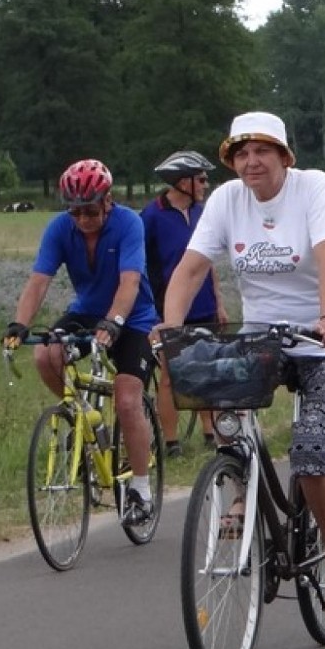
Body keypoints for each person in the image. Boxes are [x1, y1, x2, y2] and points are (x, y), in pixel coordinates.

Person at [162, 111, 325, 617]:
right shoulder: (228, 200)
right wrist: (171, 332)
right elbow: (191, 270)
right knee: (225, 407)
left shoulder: (312, 188)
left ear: (283, 156)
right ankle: (242, 481)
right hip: (265, 337)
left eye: (262, 151)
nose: (250, 162)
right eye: (241, 153)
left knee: (313, 451)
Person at [3, 160, 159, 523]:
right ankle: (83, 418)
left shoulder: (128, 223)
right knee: (45, 354)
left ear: (107, 201)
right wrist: (18, 324)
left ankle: (141, 487)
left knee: (127, 398)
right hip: (86, 311)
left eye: (90, 211)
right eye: (75, 212)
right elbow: (39, 281)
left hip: (133, 317)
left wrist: (116, 320)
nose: (83, 219)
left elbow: (130, 282)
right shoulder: (59, 229)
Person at [141, 150, 228, 456]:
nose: (206, 184)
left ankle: (209, 431)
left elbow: (209, 261)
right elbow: (142, 267)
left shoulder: (204, 212)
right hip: (170, 307)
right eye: (201, 179)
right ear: (182, 182)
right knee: (170, 376)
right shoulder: (151, 217)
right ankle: (171, 441)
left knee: (207, 369)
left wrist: (219, 300)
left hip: (203, 302)